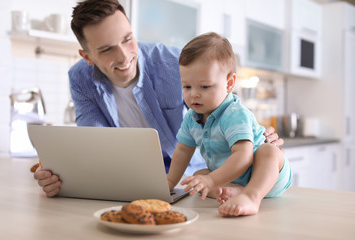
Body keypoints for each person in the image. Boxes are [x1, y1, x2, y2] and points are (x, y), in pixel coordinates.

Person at [33, 0, 284, 198]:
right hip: (130, 181)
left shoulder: (172, 63)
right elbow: (95, 142)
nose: (124, 56)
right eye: (107, 49)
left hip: (187, 180)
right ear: (87, 57)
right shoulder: (80, 78)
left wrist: (253, 131)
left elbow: (221, 103)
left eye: (127, 39)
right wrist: (59, 170)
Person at [167, 32, 292, 217]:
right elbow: (183, 151)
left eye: (205, 87)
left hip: (266, 175)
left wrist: (211, 180)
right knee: (197, 177)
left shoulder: (234, 114)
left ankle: (252, 196)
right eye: (187, 86)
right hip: (233, 178)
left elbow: (244, 157)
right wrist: (168, 183)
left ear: (229, 83)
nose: (194, 94)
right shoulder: (192, 118)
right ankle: (238, 192)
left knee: (268, 152)